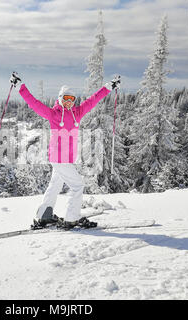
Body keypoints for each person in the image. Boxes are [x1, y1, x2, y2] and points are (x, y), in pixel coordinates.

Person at [9, 72, 120, 229]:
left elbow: (93, 100)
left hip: (66, 159)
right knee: (78, 186)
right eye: (66, 99)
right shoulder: (53, 114)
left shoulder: (78, 113)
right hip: (58, 159)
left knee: (55, 185)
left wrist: (109, 87)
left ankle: (44, 215)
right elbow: (33, 103)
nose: (69, 102)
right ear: (60, 99)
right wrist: (20, 86)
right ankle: (71, 218)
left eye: (72, 99)